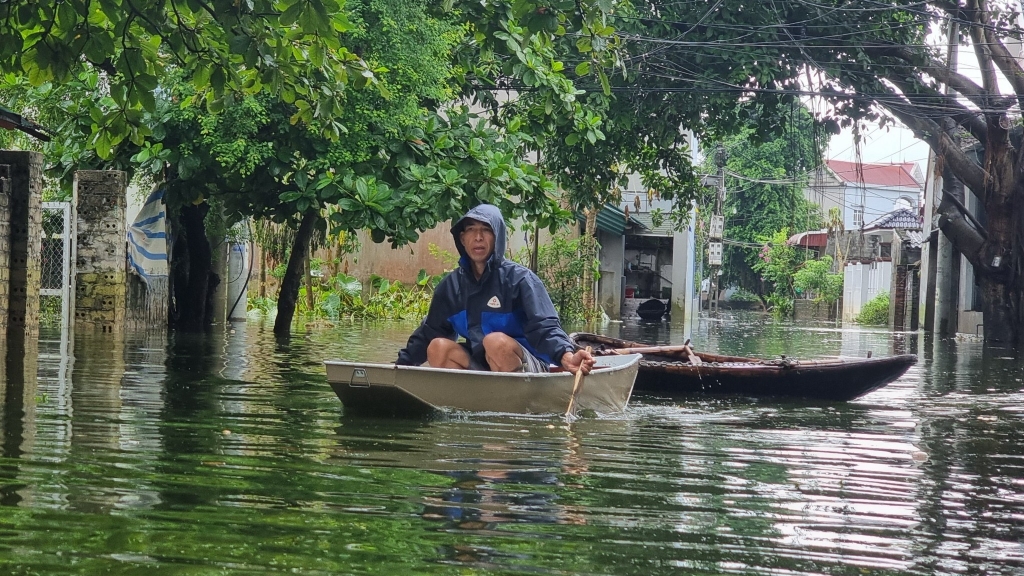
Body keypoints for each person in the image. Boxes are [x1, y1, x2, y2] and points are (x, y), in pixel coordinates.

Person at [396, 204, 595, 375]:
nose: (478, 237)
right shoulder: (450, 287)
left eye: (486, 230)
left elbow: (546, 327)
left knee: (495, 342)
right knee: (438, 347)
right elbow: (428, 333)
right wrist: (398, 369)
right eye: (472, 230)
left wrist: (566, 356)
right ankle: (467, 406)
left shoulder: (521, 280)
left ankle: (511, 406)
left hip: (529, 366)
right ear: (463, 239)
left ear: (497, 237)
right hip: (483, 368)